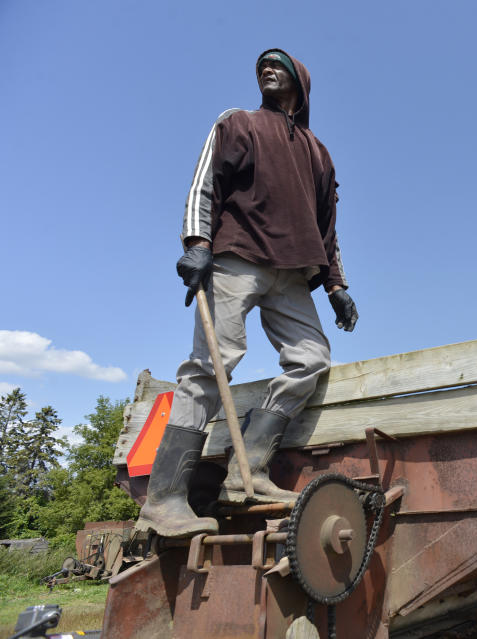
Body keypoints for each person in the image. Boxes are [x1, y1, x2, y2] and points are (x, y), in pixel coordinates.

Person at [135, 49, 358, 538]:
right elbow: (205, 184)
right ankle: (165, 499)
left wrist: (337, 286)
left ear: (301, 82)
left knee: (311, 358)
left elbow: (328, 229)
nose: (266, 68)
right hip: (238, 257)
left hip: (293, 274)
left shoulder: (319, 153)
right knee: (213, 364)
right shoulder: (238, 122)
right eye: (261, 65)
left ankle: (247, 473)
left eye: (278, 64)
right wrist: (197, 243)